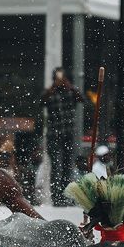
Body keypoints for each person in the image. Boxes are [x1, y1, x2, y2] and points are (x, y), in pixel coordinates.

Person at [41, 67, 83, 205]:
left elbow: (82, 99)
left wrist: (69, 86)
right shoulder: (50, 92)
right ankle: (56, 197)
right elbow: (41, 102)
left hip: (68, 133)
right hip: (54, 134)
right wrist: (53, 88)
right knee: (55, 165)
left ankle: (65, 196)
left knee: (67, 165)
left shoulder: (70, 91)